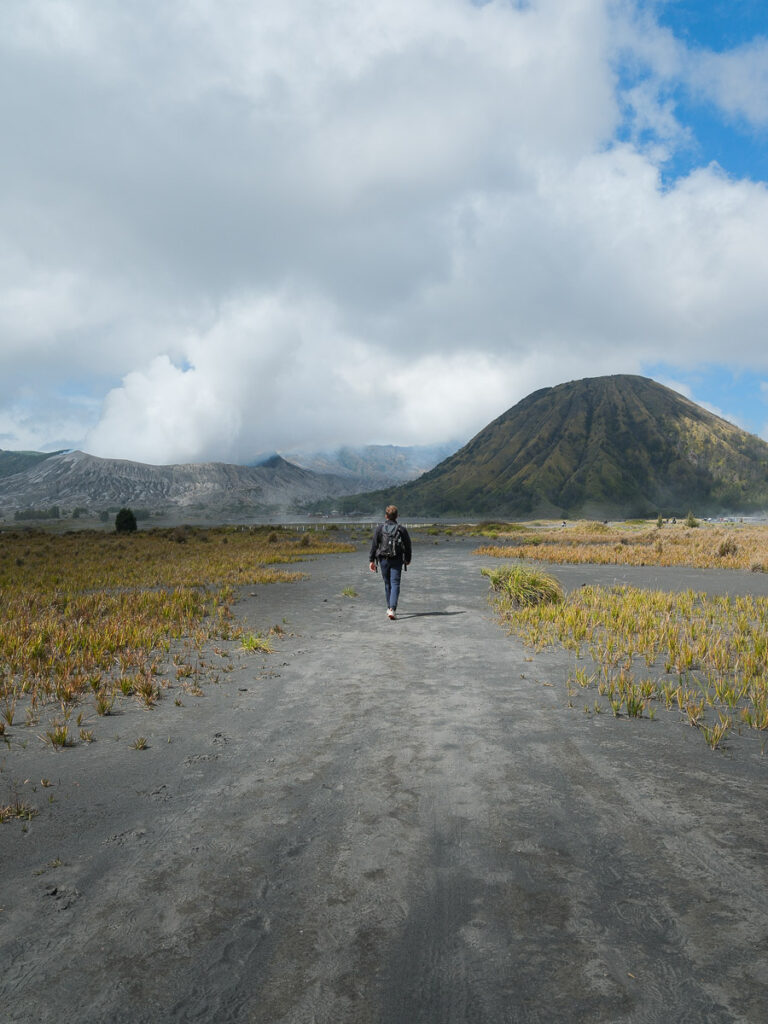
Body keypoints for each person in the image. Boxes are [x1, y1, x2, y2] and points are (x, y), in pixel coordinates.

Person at [369, 505, 412, 620]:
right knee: (395, 583)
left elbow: (374, 545)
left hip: (383, 560)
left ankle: (390, 608)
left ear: (386, 516)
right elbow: (408, 545)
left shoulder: (380, 529)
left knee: (387, 584)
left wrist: (371, 560)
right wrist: (408, 559)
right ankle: (392, 608)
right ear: (397, 516)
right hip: (397, 560)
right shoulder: (401, 529)